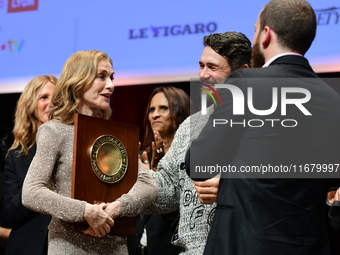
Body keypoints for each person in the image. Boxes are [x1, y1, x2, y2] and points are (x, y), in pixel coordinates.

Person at [185, 0, 340, 254]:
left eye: (256, 30)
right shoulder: (334, 100)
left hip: (244, 243)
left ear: (266, 35)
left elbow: (198, 163)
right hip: (307, 245)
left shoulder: (245, 84)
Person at [106, 32, 252, 255]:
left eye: (213, 67)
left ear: (242, 72)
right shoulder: (190, 126)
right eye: (201, 65)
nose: (203, 75)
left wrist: (231, 185)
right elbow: (167, 189)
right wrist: (126, 168)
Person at [22, 50, 157, 255]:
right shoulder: (54, 130)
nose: (110, 85)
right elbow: (31, 192)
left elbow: (149, 186)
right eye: (101, 76)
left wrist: (115, 208)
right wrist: (86, 211)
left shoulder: (118, 135)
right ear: (78, 80)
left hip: (115, 246)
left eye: (111, 78)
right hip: (69, 245)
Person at [128, 87, 191, 255]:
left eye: (163, 108)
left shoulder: (190, 158)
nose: (155, 114)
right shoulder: (143, 158)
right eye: (152, 109)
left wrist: (161, 183)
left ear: (180, 112)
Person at [3, 75, 56, 255]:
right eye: (44, 98)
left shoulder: (74, 148)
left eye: (57, 98)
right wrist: (39, 181)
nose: (52, 103)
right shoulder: (16, 156)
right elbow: (11, 213)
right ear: (30, 105)